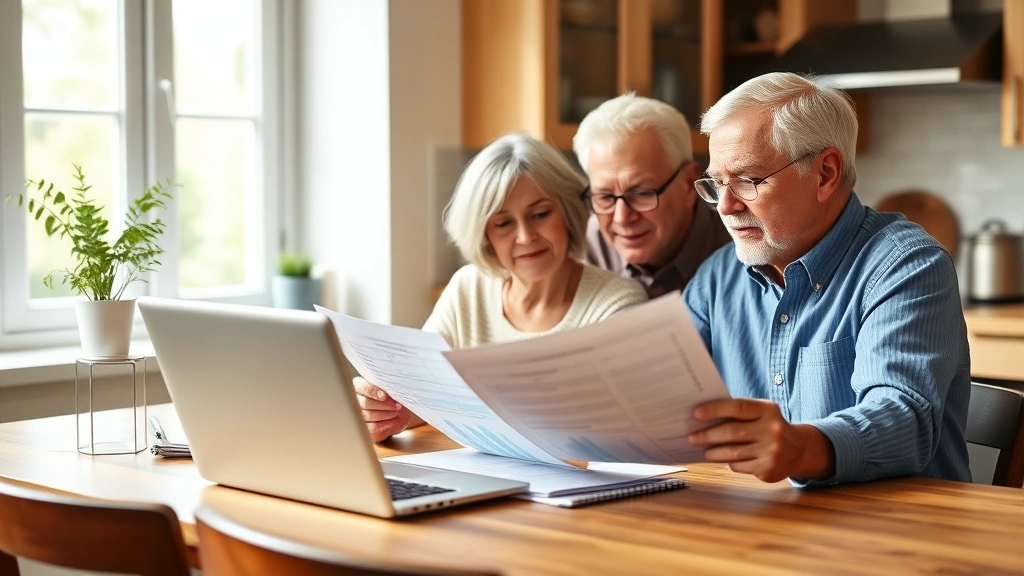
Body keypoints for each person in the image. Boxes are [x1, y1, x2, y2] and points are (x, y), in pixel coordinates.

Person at [683, 72, 971, 486]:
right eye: (716, 183)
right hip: (765, 529)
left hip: (900, 536)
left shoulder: (908, 266)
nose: (725, 206)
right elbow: (665, 398)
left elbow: (904, 419)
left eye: (747, 180)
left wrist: (800, 447)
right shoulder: (718, 278)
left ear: (825, 173)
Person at [356, 133, 648, 442]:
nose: (525, 237)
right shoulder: (467, 289)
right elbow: (421, 391)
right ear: (485, 236)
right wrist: (389, 410)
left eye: (540, 214)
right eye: (504, 223)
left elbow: (613, 427)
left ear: (568, 212)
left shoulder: (618, 303)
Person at [575, 94, 732, 298]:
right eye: (605, 197)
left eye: (641, 194)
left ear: (688, 183)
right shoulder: (581, 253)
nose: (621, 218)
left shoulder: (739, 251)